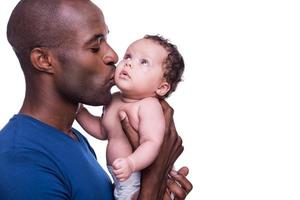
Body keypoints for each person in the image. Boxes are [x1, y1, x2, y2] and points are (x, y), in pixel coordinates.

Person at [0, 0, 192, 199]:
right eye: (94, 47)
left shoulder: (73, 138)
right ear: (44, 60)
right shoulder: (20, 161)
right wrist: (154, 180)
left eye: (107, 40)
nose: (113, 56)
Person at [76, 34, 185, 200]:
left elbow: (152, 142)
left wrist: (131, 163)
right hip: (122, 177)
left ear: (162, 88)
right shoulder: (113, 100)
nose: (128, 62)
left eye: (144, 62)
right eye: (128, 56)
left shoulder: (148, 106)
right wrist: (80, 113)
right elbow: (102, 130)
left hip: (139, 176)